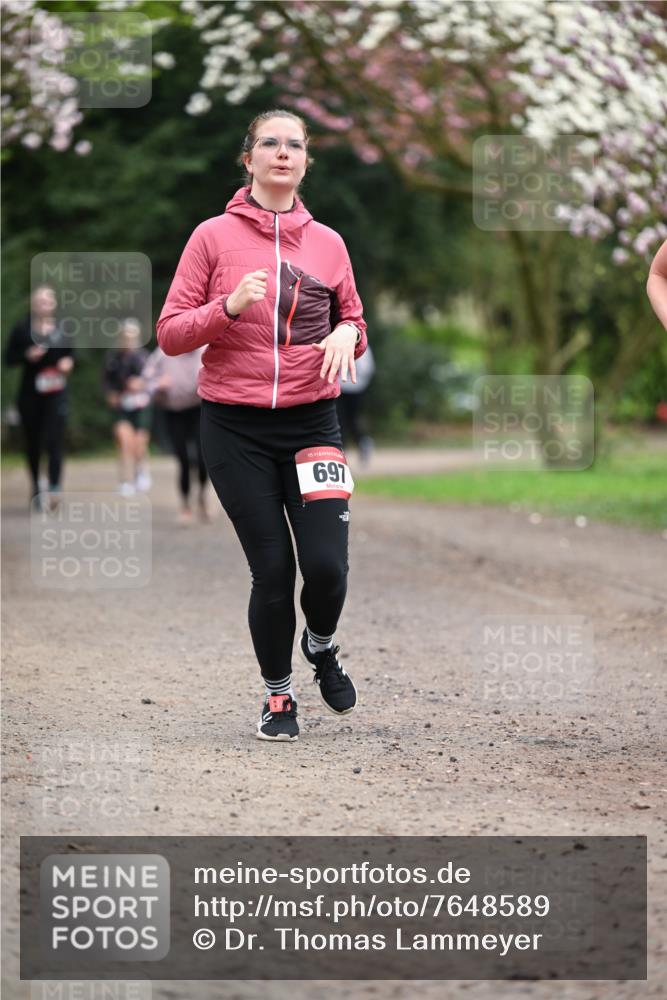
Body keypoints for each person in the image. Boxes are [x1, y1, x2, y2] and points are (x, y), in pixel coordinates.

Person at [157, 109, 368, 742]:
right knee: (273, 571)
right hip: (234, 427)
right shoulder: (212, 238)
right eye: (269, 143)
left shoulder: (328, 243)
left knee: (327, 568)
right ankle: (279, 698)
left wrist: (344, 333)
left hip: (313, 421)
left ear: (306, 162)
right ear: (247, 160)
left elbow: (355, 323)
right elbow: (169, 334)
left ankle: (321, 644)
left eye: (294, 145)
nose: (282, 153)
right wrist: (227, 306)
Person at [4, 285, 74, 507]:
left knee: (54, 440)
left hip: (56, 393)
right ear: (33, 305)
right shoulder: (23, 328)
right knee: (33, 443)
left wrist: (68, 363)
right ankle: (36, 486)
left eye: (48, 300)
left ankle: (54, 488)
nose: (45, 305)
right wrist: (27, 355)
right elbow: (8, 358)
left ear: (54, 304)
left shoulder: (63, 328)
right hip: (30, 394)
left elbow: (72, 356)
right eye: (40, 301)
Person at [142, 344, 209, 524]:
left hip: (198, 410)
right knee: (183, 459)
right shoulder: (163, 352)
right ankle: (185, 504)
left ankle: (202, 495)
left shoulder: (205, 349)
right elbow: (146, 378)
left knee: (204, 458)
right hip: (173, 412)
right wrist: (157, 385)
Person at [102, 319, 152, 496]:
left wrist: (140, 383)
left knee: (138, 445)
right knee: (124, 441)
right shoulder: (113, 358)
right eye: (125, 336)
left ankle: (141, 471)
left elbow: (152, 380)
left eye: (131, 337)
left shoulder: (144, 357)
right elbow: (106, 382)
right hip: (122, 407)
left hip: (141, 407)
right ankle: (125, 480)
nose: (128, 340)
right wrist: (111, 394)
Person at [336, 343, 376, 465]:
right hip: (339, 388)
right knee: (339, 420)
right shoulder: (337, 341)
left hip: (356, 389)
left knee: (352, 420)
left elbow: (367, 369)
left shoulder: (363, 346)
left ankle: (362, 442)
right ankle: (340, 454)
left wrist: (356, 381)